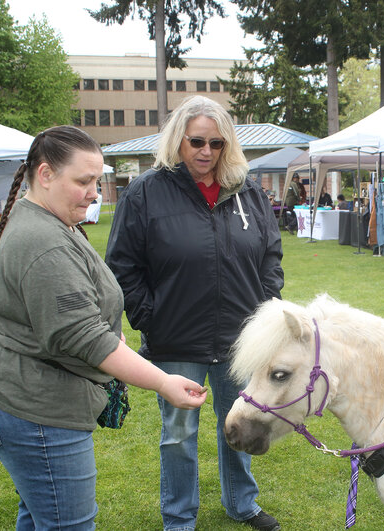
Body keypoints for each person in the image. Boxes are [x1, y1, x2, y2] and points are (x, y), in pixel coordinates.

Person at [0, 126, 207, 530]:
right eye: (83, 181)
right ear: (44, 175)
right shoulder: (45, 241)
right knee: (68, 522)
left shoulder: (51, 220)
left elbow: (78, 316)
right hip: (34, 406)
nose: (95, 192)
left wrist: (109, 327)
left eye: (97, 180)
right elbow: (83, 338)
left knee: (40, 513)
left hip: (23, 394)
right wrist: (163, 382)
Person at [105, 95, 284, 531]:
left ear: (229, 146)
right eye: (197, 141)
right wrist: (153, 317)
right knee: (180, 436)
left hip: (242, 341)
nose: (206, 152)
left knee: (241, 425)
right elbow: (122, 266)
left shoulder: (248, 192)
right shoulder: (146, 192)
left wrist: (263, 312)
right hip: (176, 341)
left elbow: (270, 257)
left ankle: (242, 503)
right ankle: (179, 517)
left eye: (217, 143)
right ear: (178, 141)